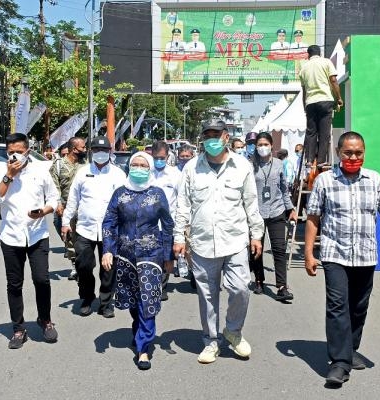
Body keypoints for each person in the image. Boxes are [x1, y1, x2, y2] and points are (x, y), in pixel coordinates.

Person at [304, 131, 380, 386]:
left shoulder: (374, 180)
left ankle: (350, 349)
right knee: (337, 305)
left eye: (358, 152)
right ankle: (339, 362)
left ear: (364, 153)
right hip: (334, 253)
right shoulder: (324, 181)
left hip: (365, 254)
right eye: (348, 152)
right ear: (339, 153)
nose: (353, 157)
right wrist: (309, 252)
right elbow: (313, 217)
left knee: (359, 306)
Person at [174, 119, 264, 364]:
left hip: (235, 240)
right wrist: (179, 237)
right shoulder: (192, 168)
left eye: (216, 134)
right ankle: (211, 341)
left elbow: (251, 203)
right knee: (207, 295)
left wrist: (256, 234)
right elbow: (182, 205)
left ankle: (233, 331)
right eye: (207, 135)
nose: (212, 139)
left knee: (240, 288)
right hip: (202, 243)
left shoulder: (242, 166)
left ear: (226, 136)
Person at [0, 133, 60, 349]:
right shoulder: (0, 171)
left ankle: (45, 320)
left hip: (37, 235)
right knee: (14, 284)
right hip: (11, 236)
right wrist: (8, 176)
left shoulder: (40, 171)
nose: (14, 155)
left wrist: (44, 211)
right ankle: (18, 329)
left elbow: (53, 198)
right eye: (10, 152)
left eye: (18, 151)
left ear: (27, 150)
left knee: (42, 280)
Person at [101, 151, 174, 370]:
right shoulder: (120, 194)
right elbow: (109, 223)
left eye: (144, 165)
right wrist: (107, 250)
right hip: (125, 256)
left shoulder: (158, 194)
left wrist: (169, 257)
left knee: (147, 302)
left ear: (150, 169)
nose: (139, 168)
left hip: (152, 256)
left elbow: (168, 225)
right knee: (133, 301)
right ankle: (138, 330)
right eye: (135, 164)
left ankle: (144, 349)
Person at [61, 136, 126, 318]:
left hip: (110, 231)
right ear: (90, 152)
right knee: (83, 265)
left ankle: (106, 303)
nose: (100, 154)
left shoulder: (118, 174)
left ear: (109, 153)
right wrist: (66, 222)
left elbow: (124, 202)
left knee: (108, 268)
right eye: (96, 150)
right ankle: (87, 297)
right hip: (85, 229)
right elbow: (73, 200)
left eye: (104, 151)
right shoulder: (82, 173)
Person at [250, 132, 297, 300]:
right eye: (259, 145)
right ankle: (259, 280)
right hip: (257, 214)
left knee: (279, 250)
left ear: (271, 146)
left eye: (265, 144)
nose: (263, 147)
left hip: (277, 211)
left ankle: (282, 286)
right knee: (257, 250)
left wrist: (290, 208)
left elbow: (284, 189)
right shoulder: (251, 165)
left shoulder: (278, 164)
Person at [299, 45, 344, 170]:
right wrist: (339, 98)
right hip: (325, 100)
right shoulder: (326, 62)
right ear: (320, 53)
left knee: (311, 132)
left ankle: (309, 159)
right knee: (324, 133)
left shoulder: (304, 68)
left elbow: (304, 90)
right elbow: (333, 80)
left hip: (310, 103)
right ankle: (321, 160)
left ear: (308, 55)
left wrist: (305, 106)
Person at [49, 137, 87, 281]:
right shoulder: (58, 165)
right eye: (82, 148)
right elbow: (53, 185)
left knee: (81, 239)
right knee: (68, 238)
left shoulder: (86, 165)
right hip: (64, 208)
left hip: (82, 208)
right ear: (73, 149)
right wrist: (58, 203)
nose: (85, 150)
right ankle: (75, 264)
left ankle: (80, 266)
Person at [151, 140, 181, 299]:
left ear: (167, 156)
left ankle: (162, 286)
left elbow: (182, 199)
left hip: (168, 224)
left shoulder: (175, 174)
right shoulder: (146, 172)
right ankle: (151, 283)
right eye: (156, 157)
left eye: (162, 157)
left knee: (166, 257)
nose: (159, 160)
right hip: (148, 224)